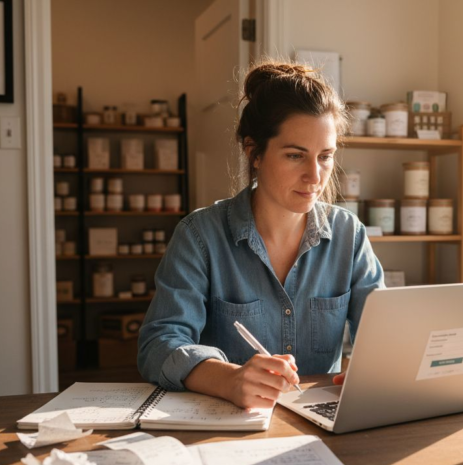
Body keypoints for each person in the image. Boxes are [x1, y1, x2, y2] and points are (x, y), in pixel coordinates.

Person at [138, 61, 384, 409]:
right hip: (230, 427)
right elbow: (159, 344)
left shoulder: (350, 235)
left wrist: (375, 370)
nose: (315, 176)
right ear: (254, 152)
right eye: (295, 155)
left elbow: (383, 336)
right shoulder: (199, 236)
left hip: (322, 425)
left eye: (325, 157)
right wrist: (228, 378)